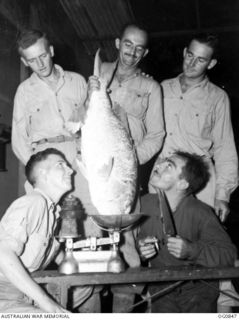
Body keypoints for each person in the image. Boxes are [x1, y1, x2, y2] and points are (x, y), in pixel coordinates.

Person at [91, 23, 164, 312]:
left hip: (122, 178)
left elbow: (157, 135)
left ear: (144, 52)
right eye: (128, 44)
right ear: (119, 42)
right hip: (96, 173)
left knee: (127, 247)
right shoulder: (99, 74)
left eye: (139, 48)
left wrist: (130, 161)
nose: (132, 52)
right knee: (90, 245)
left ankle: (122, 311)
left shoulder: (150, 87)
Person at [149, 33, 238, 223]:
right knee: (156, 237)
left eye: (200, 60)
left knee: (195, 242)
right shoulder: (161, 88)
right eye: (190, 55)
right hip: (162, 174)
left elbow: (225, 147)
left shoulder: (217, 97)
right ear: (184, 52)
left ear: (211, 64)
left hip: (200, 183)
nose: (191, 63)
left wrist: (222, 195)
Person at [138, 151, 237, 313]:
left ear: (182, 184)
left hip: (197, 294)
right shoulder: (144, 204)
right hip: (161, 292)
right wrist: (141, 249)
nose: (159, 165)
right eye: (163, 161)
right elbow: (134, 242)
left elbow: (228, 254)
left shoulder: (201, 213)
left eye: (169, 166)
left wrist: (193, 250)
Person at [0, 148, 93, 313]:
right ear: (43, 174)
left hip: (25, 293)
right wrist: (50, 305)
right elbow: (3, 253)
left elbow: (51, 250)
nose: (70, 170)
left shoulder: (53, 212)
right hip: (4, 295)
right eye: (61, 165)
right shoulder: (33, 202)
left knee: (85, 286)